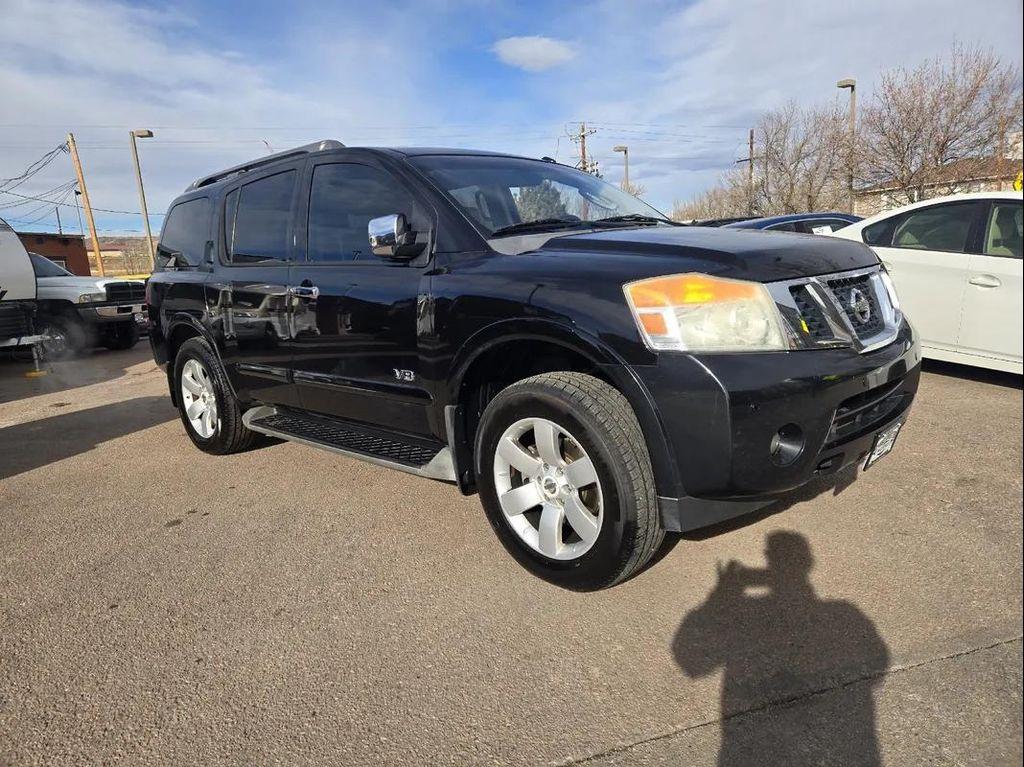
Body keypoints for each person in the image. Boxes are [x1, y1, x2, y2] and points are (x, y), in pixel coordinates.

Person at [673, 531, 889, 766]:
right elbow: (877, 665)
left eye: (769, 555)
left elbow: (693, 664)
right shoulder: (844, 613)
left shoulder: (839, 612)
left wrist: (720, 596)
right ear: (808, 562)